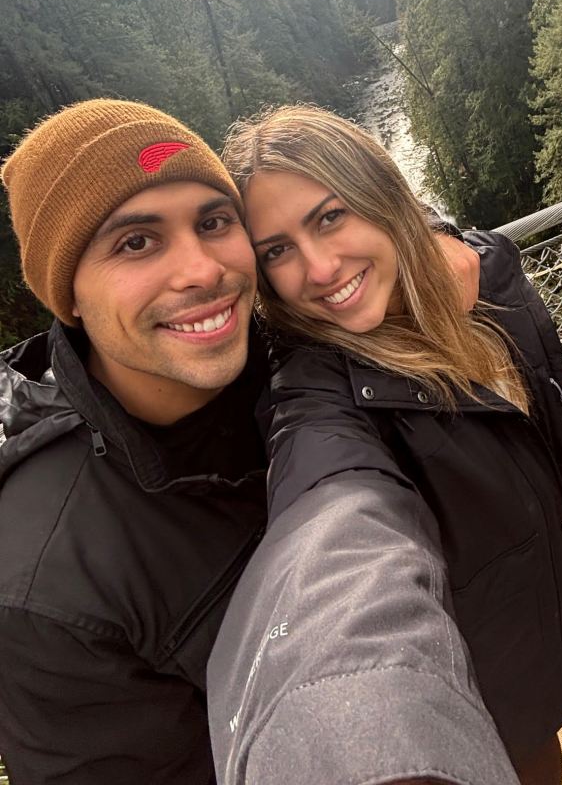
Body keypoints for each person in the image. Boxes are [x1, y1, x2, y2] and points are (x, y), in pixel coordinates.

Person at [0, 98, 510, 785]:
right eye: (136, 242)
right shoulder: (43, 587)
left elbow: (371, 236)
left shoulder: (290, 343)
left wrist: (436, 235)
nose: (203, 270)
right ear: (67, 294)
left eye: (213, 223)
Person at [212, 105, 562, 785]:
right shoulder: (315, 396)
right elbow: (331, 525)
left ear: (383, 198)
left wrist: (437, 237)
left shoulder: (486, 271)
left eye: (330, 216)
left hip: (556, 583)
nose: (319, 267)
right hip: (493, 682)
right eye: (276, 250)